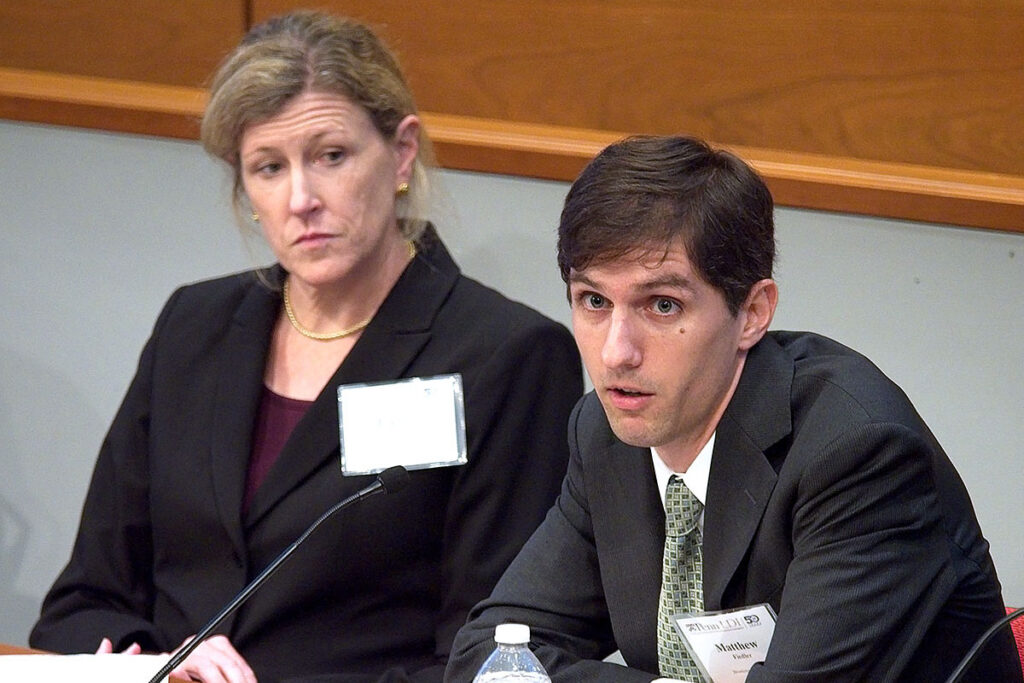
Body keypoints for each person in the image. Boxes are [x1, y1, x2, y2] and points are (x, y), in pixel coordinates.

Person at [29, 11, 582, 683]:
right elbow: (85, 601)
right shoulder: (193, 325)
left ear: (402, 153)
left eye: (331, 156)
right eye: (268, 166)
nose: (301, 199)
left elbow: (491, 656)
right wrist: (161, 663)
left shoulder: (507, 357)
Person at [445, 135, 1022, 682]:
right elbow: (488, 654)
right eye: (594, 301)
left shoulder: (857, 451)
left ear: (751, 313)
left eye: (662, 305)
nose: (616, 353)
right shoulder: (605, 432)